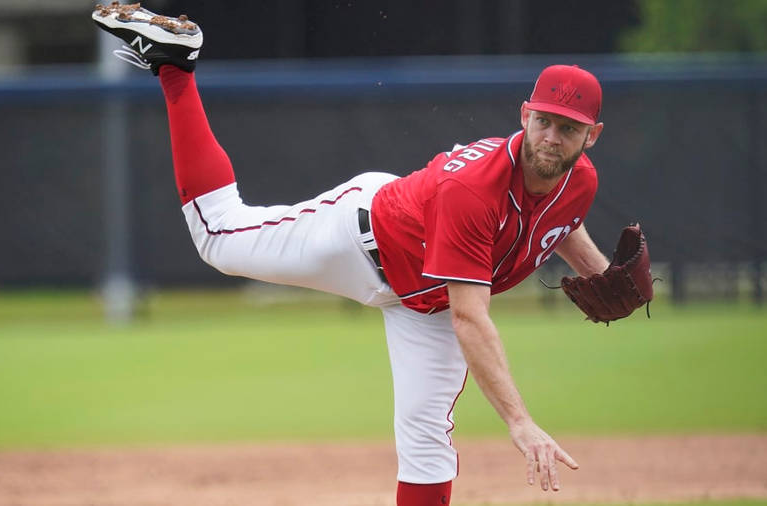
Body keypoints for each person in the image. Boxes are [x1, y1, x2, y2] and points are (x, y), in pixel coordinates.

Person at [93, 4, 610, 505]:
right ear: (525, 114)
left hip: (427, 298)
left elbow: (557, 218)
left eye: (567, 128)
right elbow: (470, 318)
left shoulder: (579, 181)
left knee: (426, 437)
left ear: (591, 136)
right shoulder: (473, 191)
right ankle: (176, 68)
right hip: (361, 240)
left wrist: (602, 275)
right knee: (218, 238)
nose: (551, 137)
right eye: (544, 121)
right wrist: (520, 423)